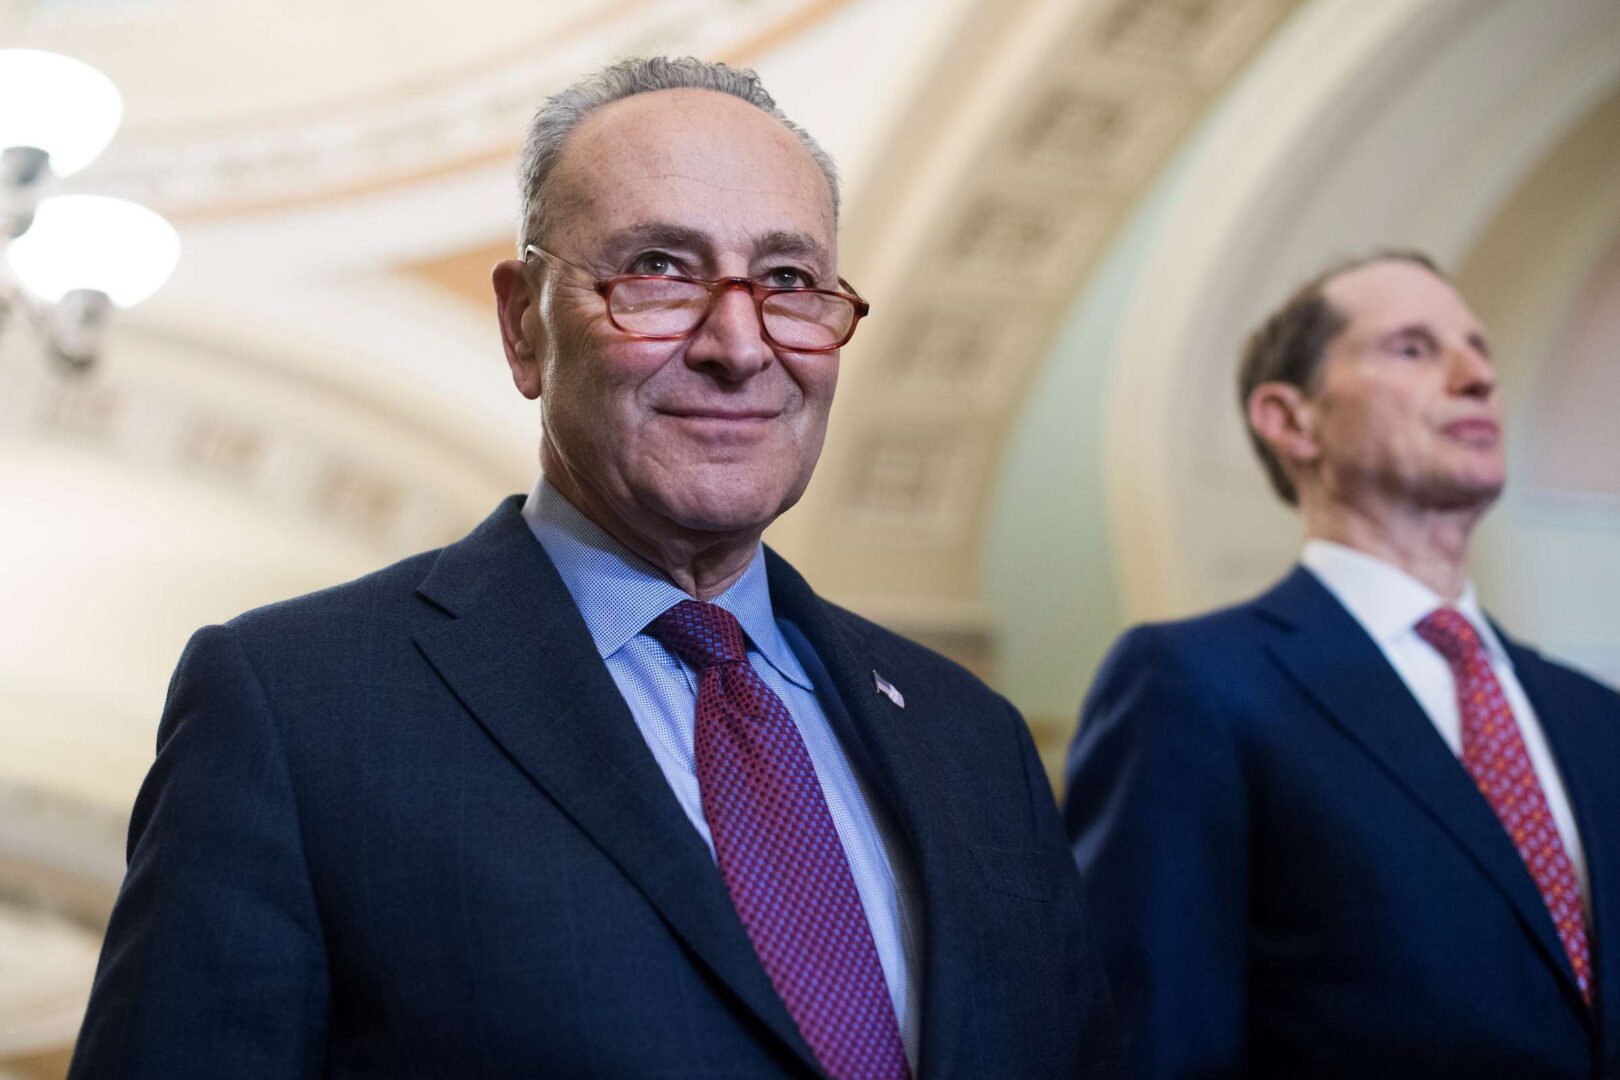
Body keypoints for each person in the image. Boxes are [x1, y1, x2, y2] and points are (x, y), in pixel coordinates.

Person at [70, 57, 1119, 1079]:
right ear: (524, 324)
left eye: (790, 279)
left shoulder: (969, 735)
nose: (739, 344)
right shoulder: (296, 708)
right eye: (660, 268)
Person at [1064, 252, 1620, 1077]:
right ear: (1291, 419)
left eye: (1481, 351)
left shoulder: (1594, 714)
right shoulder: (1191, 684)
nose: (1476, 378)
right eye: (1412, 348)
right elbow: (1153, 1043)